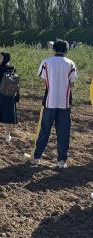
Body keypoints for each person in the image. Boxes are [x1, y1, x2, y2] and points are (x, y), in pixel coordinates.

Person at [30, 40, 77, 168]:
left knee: (44, 130)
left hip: (50, 102)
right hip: (65, 103)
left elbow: (44, 80)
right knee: (63, 132)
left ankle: (36, 158)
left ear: (54, 49)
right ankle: (62, 161)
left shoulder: (46, 62)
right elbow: (71, 84)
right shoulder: (70, 64)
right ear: (67, 50)